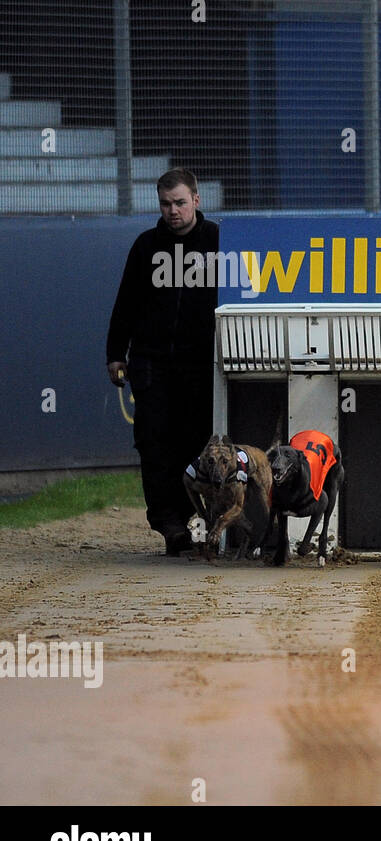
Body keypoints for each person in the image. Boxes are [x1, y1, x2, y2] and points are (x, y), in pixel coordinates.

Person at [106, 168, 220, 555]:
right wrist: (114, 355)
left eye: (180, 203)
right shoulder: (145, 246)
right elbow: (126, 304)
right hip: (151, 364)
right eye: (166, 204)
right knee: (154, 444)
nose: (173, 211)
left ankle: (191, 517)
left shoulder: (219, 242)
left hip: (200, 367)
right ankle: (169, 524)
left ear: (196, 201)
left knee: (195, 444)